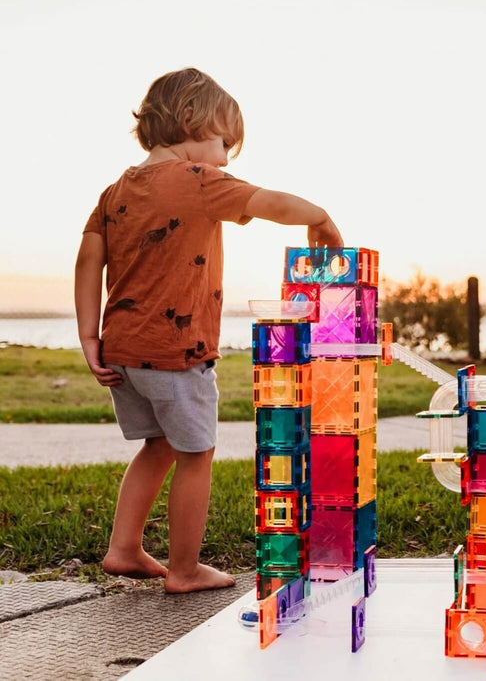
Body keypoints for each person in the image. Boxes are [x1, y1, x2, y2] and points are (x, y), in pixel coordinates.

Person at [74, 68, 343, 593]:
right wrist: (322, 217)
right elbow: (271, 203)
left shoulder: (115, 191)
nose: (225, 160)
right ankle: (184, 570)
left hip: (123, 352)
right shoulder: (200, 181)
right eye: (224, 144)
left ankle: (123, 549)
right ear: (193, 122)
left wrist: (89, 336)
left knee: (158, 446)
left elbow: (89, 261)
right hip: (178, 352)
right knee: (196, 455)